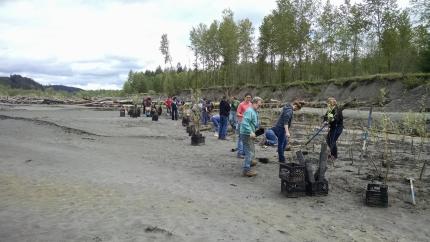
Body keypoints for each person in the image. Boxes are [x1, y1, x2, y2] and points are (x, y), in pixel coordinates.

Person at [240, 97, 263, 177]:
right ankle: (246, 170)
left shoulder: (254, 111)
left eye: (260, 105)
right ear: (254, 103)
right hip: (246, 134)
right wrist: (250, 131)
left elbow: (254, 122)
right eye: (258, 105)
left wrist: (256, 130)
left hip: (250, 133)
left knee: (251, 149)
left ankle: (250, 162)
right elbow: (244, 123)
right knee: (249, 151)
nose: (259, 107)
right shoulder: (249, 111)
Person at [236, 93, 252, 158]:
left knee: (246, 138)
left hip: (248, 124)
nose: (248, 98)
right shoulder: (241, 104)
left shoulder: (251, 104)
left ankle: (244, 152)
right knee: (241, 138)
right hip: (241, 123)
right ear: (244, 97)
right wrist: (244, 116)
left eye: (249, 97)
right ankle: (239, 153)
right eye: (247, 97)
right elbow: (237, 113)